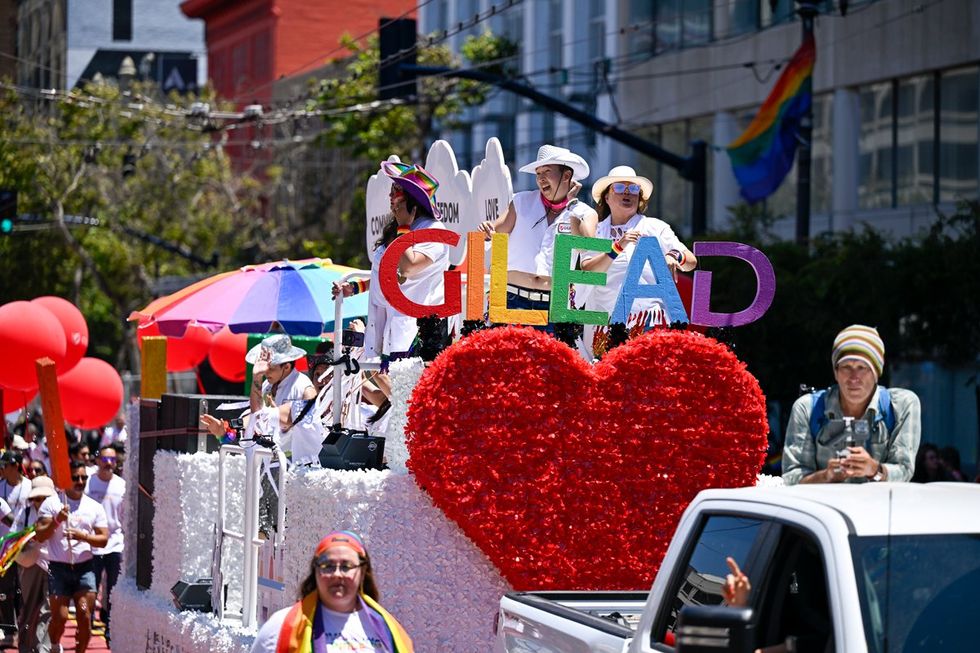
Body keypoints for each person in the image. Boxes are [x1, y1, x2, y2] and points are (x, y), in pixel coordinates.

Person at [334, 162, 450, 363]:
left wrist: (404, 227)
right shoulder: (400, 228)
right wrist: (355, 287)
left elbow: (408, 267)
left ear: (412, 200)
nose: (390, 196)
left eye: (396, 191)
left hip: (418, 330)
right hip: (393, 323)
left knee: (406, 390)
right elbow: (388, 273)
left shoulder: (434, 231)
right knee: (392, 389)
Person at [579, 165, 697, 359]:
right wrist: (617, 247)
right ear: (606, 198)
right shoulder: (597, 231)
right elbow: (587, 270)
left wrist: (673, 256)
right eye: (619, 188)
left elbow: (690, 260)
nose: (628, 193)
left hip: (647, 322)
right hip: (605, 324)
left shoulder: (655, 227)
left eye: (633, 189)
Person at [782, 325, 921, 485]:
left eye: (862, 368)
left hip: (880, 508)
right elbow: (791, 478)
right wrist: (826, 476)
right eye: (846, 367)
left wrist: (874, 470)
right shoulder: (808, 408)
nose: (854, 377)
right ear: (835, 372)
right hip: (823, 508)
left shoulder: (900, 406)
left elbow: (904, 470)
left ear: (876, 373)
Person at [478, 144, 595, 329]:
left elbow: (585, 245)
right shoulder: (520, 201)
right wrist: (486, 230)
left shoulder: (584, 213)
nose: (541, 179)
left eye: (547, 172)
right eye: (538, 173)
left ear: (567, 176)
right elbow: (496, 230)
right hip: (512, 299)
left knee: (548, 359)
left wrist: (571, 206)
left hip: (553, 306)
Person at [250, 530, 413, 653]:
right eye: (327, 566)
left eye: (346, 566)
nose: (337, 574)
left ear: (362, 572)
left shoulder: (389, 630)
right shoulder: (280, 627)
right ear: (316, 572)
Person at [34, 460, 108, 653]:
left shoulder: (94, 506)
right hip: (59, 568)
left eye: (84, 477)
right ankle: (55, 645)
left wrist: (83, 536)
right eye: (76, 477)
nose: (80, 481)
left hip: (85, 567)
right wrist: (57, 520)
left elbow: (103, 539)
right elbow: (40, 535)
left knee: (84, 615)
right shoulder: (52, 503)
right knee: (60, 616)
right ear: (67, 480)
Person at [85, 445, 125, 644]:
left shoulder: (121, 485)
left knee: (113, 589)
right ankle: (87, 624)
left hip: (115, 544)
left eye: (113, 460)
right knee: (91, 587)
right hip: (92, 543)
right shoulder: (88, 483)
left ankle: (110, 629)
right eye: (105, 459)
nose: (108, 464)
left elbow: (125, 516)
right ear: (97, 460)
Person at [15, 475, 55, 653]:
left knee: (48, 608)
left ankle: (42, 648)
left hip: (53, 564)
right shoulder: (25, 513)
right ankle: (24, 647)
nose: (40, 502)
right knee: (28, 608)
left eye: (44, 498)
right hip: (30, 564)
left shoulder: (59, 512)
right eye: (37, 498)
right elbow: (14, 536)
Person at [0, 449, 31, 646]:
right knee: (5, 590)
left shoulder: (29, 487)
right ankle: (8, 630)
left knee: (24, 589)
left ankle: (25, 628)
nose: (1, 470)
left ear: (16, 466)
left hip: (26, 544)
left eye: (4, 466)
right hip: (4, 546)